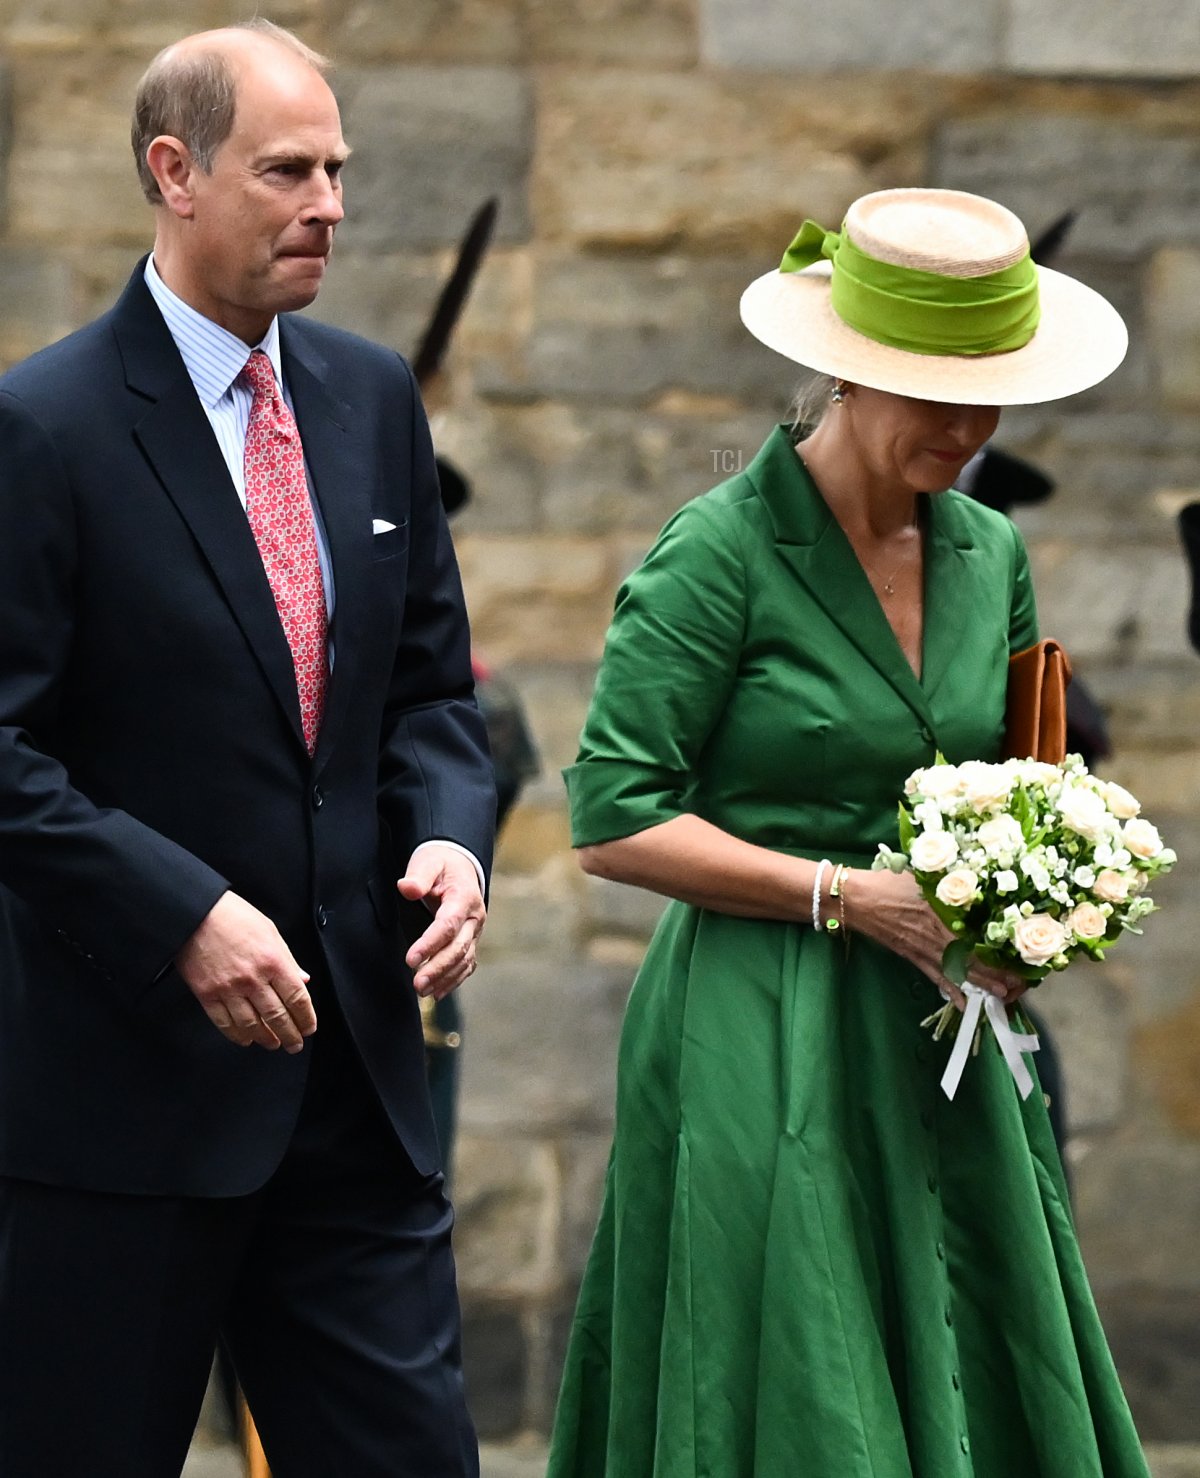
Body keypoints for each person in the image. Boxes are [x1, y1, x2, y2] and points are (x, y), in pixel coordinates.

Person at [549, 188, 1149, 1475]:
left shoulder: (990, 549)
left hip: (939, 1018)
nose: (969, 426)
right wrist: (847, 895)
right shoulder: (716, 553)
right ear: (845, 377)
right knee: (793, 1368)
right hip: (757, 1016)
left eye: (991, 393)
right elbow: (612, 815)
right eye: (935, 393)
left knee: (975, 1345)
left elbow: (1017, 778)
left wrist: (1037, 902)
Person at [0, 20, 495, 1478]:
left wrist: (452, 839)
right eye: (289, 170)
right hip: (122, 1109)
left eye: (337, 168)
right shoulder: (42, 426)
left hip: (355, 1091)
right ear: (175, 171)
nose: (329, 202)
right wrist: (184, 915)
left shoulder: (371, 398)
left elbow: (428, 697)